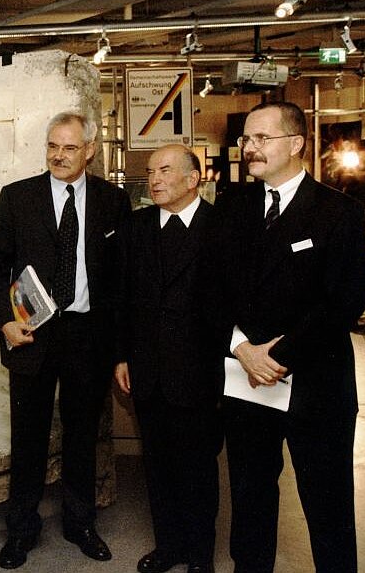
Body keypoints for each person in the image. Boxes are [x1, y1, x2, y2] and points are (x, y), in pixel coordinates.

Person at [215, 101, 365, 573]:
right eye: (246, 139)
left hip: (315, 385)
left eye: (262, 139)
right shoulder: (234, 205)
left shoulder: (337, 212)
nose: (250, 148)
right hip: (246, 380)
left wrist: (274, 356)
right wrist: (241, 348)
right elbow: (212, 287)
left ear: (296, 143)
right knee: (250, 497)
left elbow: (343, 302)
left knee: (328, 507)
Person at [0, 111, 131, 569]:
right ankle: (21, 530)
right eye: (52, 146)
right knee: (28, 437)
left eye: (69, 147)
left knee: (83, 436)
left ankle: (80, 524)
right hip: (31, 334)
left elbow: (122, 279)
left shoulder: (113, 201)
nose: (58, 155)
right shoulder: (17, 197)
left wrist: (122, 348)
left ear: (90, 150)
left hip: (88, 336)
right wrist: (4, 321)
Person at [114, 145, 220, 573]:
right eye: (150, 171)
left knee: (198, 466)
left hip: (200, 371)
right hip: (148, 369)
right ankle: (169, 546)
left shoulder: (220, 229)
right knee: (156, 465)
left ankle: (200, 554)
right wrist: (122, 355)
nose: (153, 179)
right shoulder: (135, 227)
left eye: (165, 170)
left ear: (193, 179)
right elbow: (121, 298)